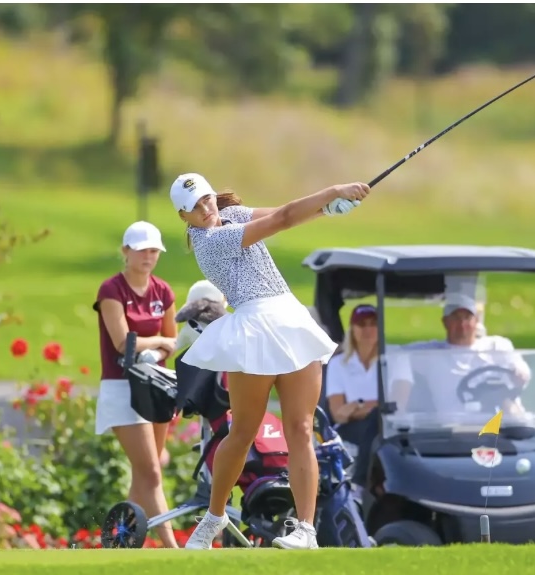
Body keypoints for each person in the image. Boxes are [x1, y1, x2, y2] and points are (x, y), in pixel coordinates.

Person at [169, 172, 370, 550]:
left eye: (208, 199)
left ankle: (306, 531)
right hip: (254, 325)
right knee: (243, 430)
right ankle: (214, 517)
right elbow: (282, 220)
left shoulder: (234, 216)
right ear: (185, 217)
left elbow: (282, 211)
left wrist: (329, 209)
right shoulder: (210, 241)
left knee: (301, 428)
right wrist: (333, 191)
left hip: (289, 318)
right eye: (195, 207)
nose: (206, 208)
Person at [93, 220, 179, 548]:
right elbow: (120, 343)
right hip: (120, 389)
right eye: (141, 249)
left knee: (145, 475)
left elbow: (173, 339)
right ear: (125, 252)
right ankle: (173, 549)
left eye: (154, 250)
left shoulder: (164, 291)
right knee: (152, 473)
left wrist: (153, 346)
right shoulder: (111, 290)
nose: (148, 255)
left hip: (155, 388)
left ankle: (121, 541)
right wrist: (156, 343)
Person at [324, 304, 412, 487]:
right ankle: (362, 482)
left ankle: (361, 482)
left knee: (376, 422)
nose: (368, 329)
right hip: (351, 428)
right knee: (374, 422)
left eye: (373, 323)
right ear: (352, 329)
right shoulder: (339, 364)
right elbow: (338, 413)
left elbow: (397, 405)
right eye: (361, 324)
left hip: (388, 425)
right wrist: (377, 405)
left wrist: (356, 405)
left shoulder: (396, 357)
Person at [403, 293, 532, 416]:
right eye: (456, 318)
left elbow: (521, 370)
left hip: (501, 427)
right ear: (445, 322)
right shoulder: (431, 353)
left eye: (467, 318)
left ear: (476, 321)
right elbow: (394, 354)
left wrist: (520, 373)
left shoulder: (497, 346)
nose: (462, 324)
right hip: (453, 431)